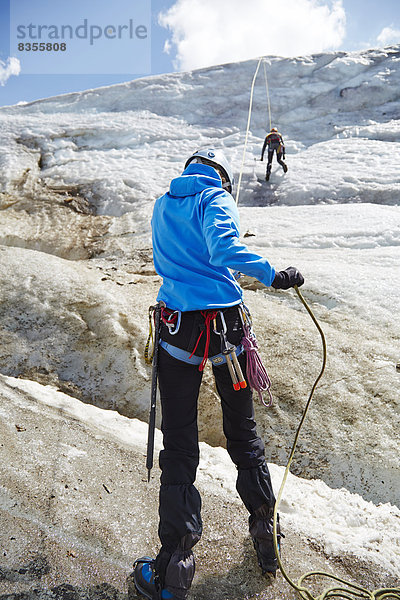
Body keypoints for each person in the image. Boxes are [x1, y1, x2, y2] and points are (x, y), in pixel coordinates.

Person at [133, 149, 304, 600]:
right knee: (242, 431)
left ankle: (174, 568)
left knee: (180, 442)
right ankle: (267, 540)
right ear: (222, 177)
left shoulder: (163, 201)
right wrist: (274, 275)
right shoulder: (216, 197)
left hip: (177, 328)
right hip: (226, 328)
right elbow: (223, 248)